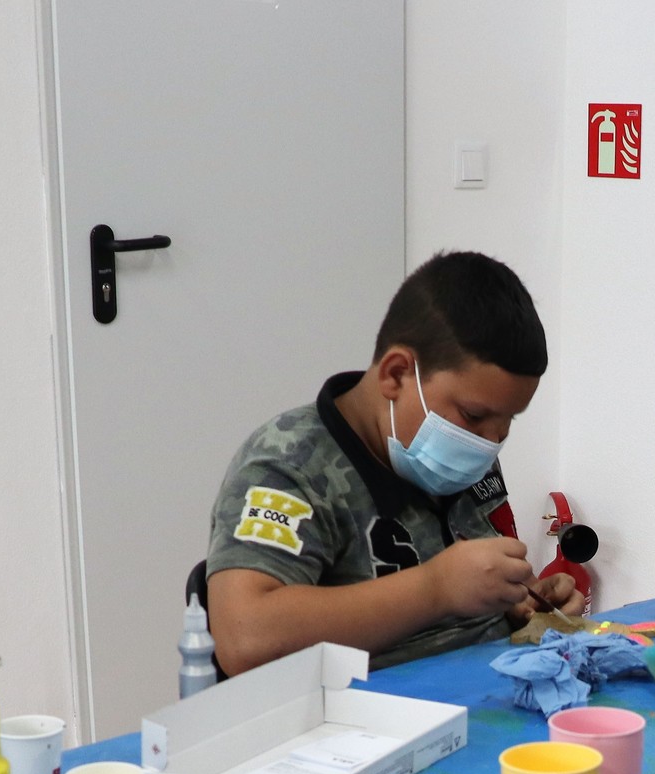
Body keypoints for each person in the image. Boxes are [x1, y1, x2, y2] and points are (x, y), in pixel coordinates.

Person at [204, 250, 572, 675]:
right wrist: (435, 589)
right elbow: (245, 639)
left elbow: (473, 590)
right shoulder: (290, 466)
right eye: (474, 415)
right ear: (396, 374)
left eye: (509, 420)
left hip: (488, 686)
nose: (493, 441)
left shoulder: (468, 447)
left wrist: (519, 599)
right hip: (367, 707)